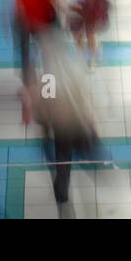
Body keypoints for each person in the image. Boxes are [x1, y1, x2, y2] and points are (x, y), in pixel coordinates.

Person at [22, 26, 101, 213]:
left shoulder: (50, 74)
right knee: (78, 155)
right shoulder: (71, 65)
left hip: (62, 127)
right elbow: (83, 94)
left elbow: (48, 103)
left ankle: (62, 193)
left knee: (62, 160)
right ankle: (76, 182)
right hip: (74, 123)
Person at [12, 0, 59, 82]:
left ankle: (42, 88)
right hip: (33, 22)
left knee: (45, 55)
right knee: (39, 54)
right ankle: (33, 84)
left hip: (42, 21)